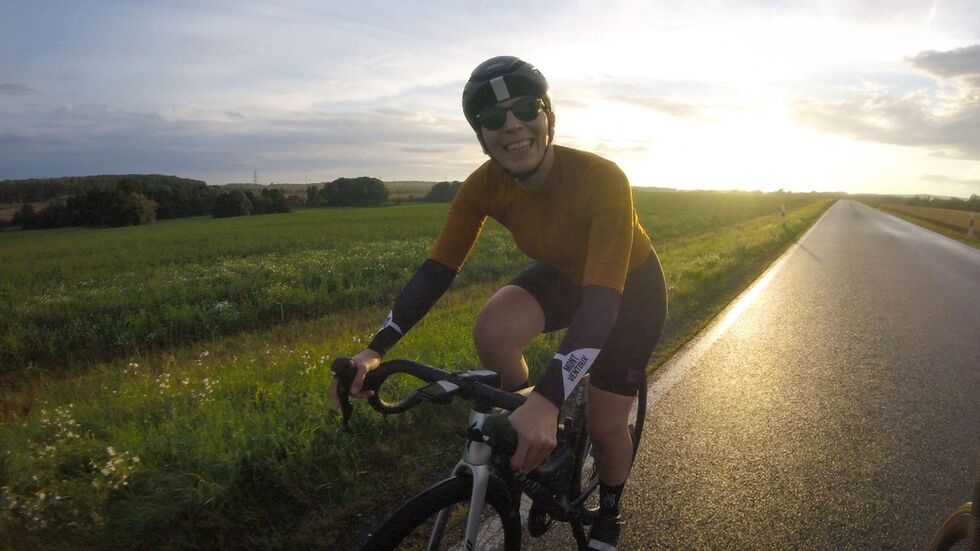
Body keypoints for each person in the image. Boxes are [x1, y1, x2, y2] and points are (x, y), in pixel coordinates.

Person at [330, 55, 668, 550]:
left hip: (627, 292)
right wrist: (374, 348)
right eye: (492, 119)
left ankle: (611, 509)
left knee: (605, 421)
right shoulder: (481, 187)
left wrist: (550, 399)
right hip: (563, 276)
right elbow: (436, 271)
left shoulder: (601, 178)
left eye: (526, 108)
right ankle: (530, 427)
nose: (512, 125)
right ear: (481, 135)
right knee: (492, 327)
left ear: (547, 116)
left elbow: (601, 304)